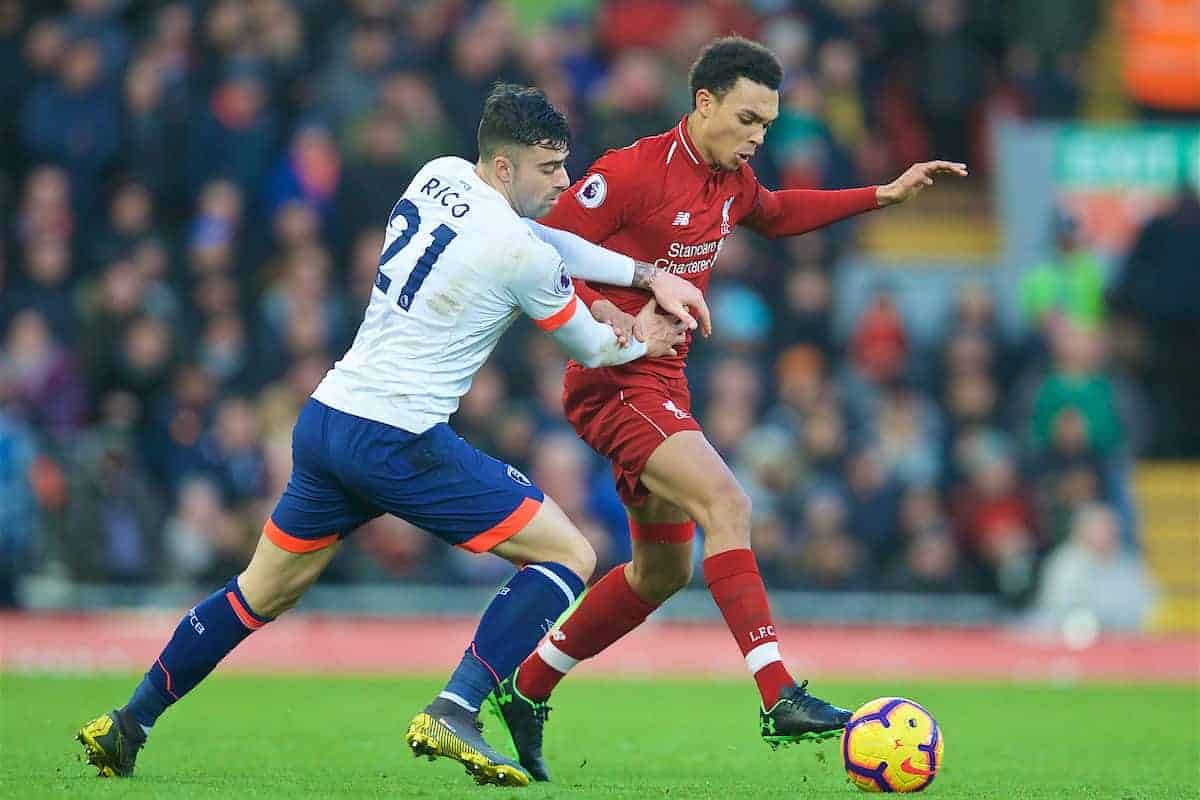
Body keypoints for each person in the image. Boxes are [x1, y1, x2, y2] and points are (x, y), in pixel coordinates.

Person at [74, 84, 706, 788]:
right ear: (503, 168)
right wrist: (645, 337)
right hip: (398, 438)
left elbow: (537, 241)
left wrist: (645, 273)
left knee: (259, 593)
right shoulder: (516, 252)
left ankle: (128, 724)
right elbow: (589, 345)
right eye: (548, 167)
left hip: (327, 420)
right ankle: (458, 707)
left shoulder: (436, 174)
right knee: (568, 555)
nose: (564, 180)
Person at [489, 36, 967, 782]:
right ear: (703, 102)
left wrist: (882, 194)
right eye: (747, 119)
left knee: (659, 573)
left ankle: (528, 687)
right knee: (728, 502)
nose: (757, 138)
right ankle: (778, 695)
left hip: (665, 384)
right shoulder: (631, 172)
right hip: (616, 382)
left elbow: (775, 213)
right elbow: (539, 251)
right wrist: (605, 325)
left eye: (768, 126)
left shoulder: (734, 183)